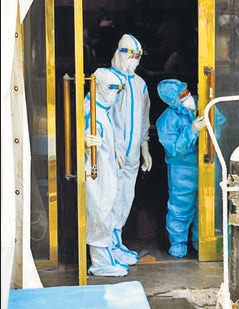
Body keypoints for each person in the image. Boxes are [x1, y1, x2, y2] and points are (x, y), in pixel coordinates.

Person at [107, 33, 153, 266]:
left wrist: (145, 146)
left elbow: (143, 118)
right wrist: (111, 146)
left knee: (126, 196)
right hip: (111, 154)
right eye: (130, 55)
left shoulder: (140, 84)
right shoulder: (107, 80)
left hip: (133, 152)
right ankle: (106, 246)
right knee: (110, 197)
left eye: (137, 56)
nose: (134, 60)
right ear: (120, 52)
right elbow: (99, 116)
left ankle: (117, 240)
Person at [84, 67, 128, 276]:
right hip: (95, 171)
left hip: (106, 169)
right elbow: (84, 133)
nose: (114, 94)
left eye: (118, 90)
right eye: (111, 88)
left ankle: (107, 255)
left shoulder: (103, 109)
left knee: (107, 210)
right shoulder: (91, 111)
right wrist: (85, 142)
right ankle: (100, 263)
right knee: (99, 212)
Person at [156, 79, 206, 258]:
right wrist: (192, 130)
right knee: (180, 206)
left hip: (205, 164)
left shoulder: (200, 105)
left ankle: (201, 242)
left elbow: (219, 122)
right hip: (182, 169)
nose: (188, 96)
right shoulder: (166, 120)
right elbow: (175, 149)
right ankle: (178, 243)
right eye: (182, 95)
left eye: (187, 92)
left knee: (204, 205)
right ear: (172, 99)